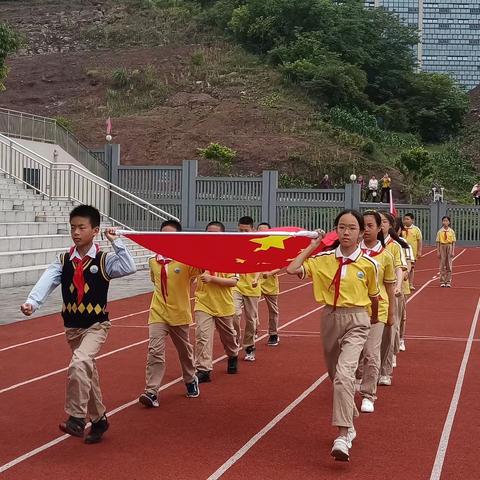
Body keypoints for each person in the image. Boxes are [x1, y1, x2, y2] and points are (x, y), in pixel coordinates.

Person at [20, 205, 136, 443]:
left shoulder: (104, 260)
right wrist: (32, 302)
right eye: (73, 227)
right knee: (86, 372)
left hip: (96, 325)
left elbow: (128, 267)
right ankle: (100, 419)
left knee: (80, 362)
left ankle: (76, 417)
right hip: (73, 327)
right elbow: (47, 281)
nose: (76, 232)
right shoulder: (63, 260)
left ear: (95, 230)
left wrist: (116, 243)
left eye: (81, 227)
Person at [287, 209, 379, 462]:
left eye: (351, 228)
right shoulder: (324, 259)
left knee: (343, 376)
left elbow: (374, 297)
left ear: (361, 232)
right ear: (336, 231)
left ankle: (343, 434)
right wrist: (314, 245)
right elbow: (292, 268)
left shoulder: (370, 265)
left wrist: (372, 323)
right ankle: (349, 419)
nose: (346, 232)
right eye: (341, 227)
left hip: (357, 319)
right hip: (330, 318)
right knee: (335, 375)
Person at [138, 220, 201, 409]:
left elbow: (201, 267)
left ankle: (190, 379)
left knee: (184, 351)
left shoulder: (185, 261)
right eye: (163, 234)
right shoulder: (153, 262)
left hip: (179, 313)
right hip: (158, 312)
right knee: (155, 350)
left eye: (171, 235)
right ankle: (152, 390)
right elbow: (155, 282)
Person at [358, 211, 396, 414]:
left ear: (379, 228)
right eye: (363, 226)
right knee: (354, 353)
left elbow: (389, 287)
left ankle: (368, 394)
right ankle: (356, 378)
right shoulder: (353, 252)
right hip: (354, 308)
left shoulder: (386, 255)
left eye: (370, 225)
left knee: (372, 353)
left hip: (377, 310)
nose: (366, 230)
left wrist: (391, 314)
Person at [194, 221, 240, 383]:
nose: (211, 235)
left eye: (215, 233)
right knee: (202, 336)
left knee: (228, 337)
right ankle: (203, 369)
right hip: (203, 302)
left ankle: (233, 354)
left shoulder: (230, 256)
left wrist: (212, 278)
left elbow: (234, 282)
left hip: (223, 304)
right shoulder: (198, 254)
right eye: (208, 232)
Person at [377, 211, 408, 386]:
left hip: (389, 294)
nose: (381, 225)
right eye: (377, 222)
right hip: (369, 296)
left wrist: (396, 286)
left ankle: (385, 371)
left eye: (383, 222)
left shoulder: (395, 246)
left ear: (390, 225)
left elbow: (400, 267)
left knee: (389, 333)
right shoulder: (365, 245)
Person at [234, 216, 261, 361]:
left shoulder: (257, 245)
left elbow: (260, 265)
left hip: (252, 287)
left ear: (253, 230)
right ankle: (236, 338)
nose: (243, 232)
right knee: (234, 314)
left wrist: (256, 279)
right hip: (236, 285)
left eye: (246, 230)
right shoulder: (234, 244)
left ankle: (249, 346)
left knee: (251, 320)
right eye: (240, 230)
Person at [257, 222, 281, 346]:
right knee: (251, 309)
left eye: (265, 230)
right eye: (260, 230)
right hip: (255, 283)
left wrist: (270, 273)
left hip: (270, 283)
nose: (262, 232)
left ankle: (273, 333)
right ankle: (255, 328)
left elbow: (280, 265)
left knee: (273, 310)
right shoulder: (254, 246)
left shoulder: (275, 247)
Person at [401, 213, 423, 291]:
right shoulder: (401, 229)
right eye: (405, 219)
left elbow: (419, 241)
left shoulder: (416, 229)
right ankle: (403, 283)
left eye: (408, 219)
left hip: (412, 252)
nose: (405, 221)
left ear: (412, 220)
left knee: (411, 268)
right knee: (403, 267)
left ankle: (410, 284)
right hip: (402, 252)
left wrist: (419, 251)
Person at [436, 216, 456, 288]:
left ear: (449, 222)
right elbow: (438, 242)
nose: (445, 222)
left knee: (449, 265)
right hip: (442, 246)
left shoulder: (451, 231)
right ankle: (442, 281)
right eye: (444, 221)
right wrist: (438, 251)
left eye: (447, 221)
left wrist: (453, 251)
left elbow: (453, 242)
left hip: (449, 246)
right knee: (442, 265)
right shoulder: (440, 231)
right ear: (442, 222)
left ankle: (448, 281)